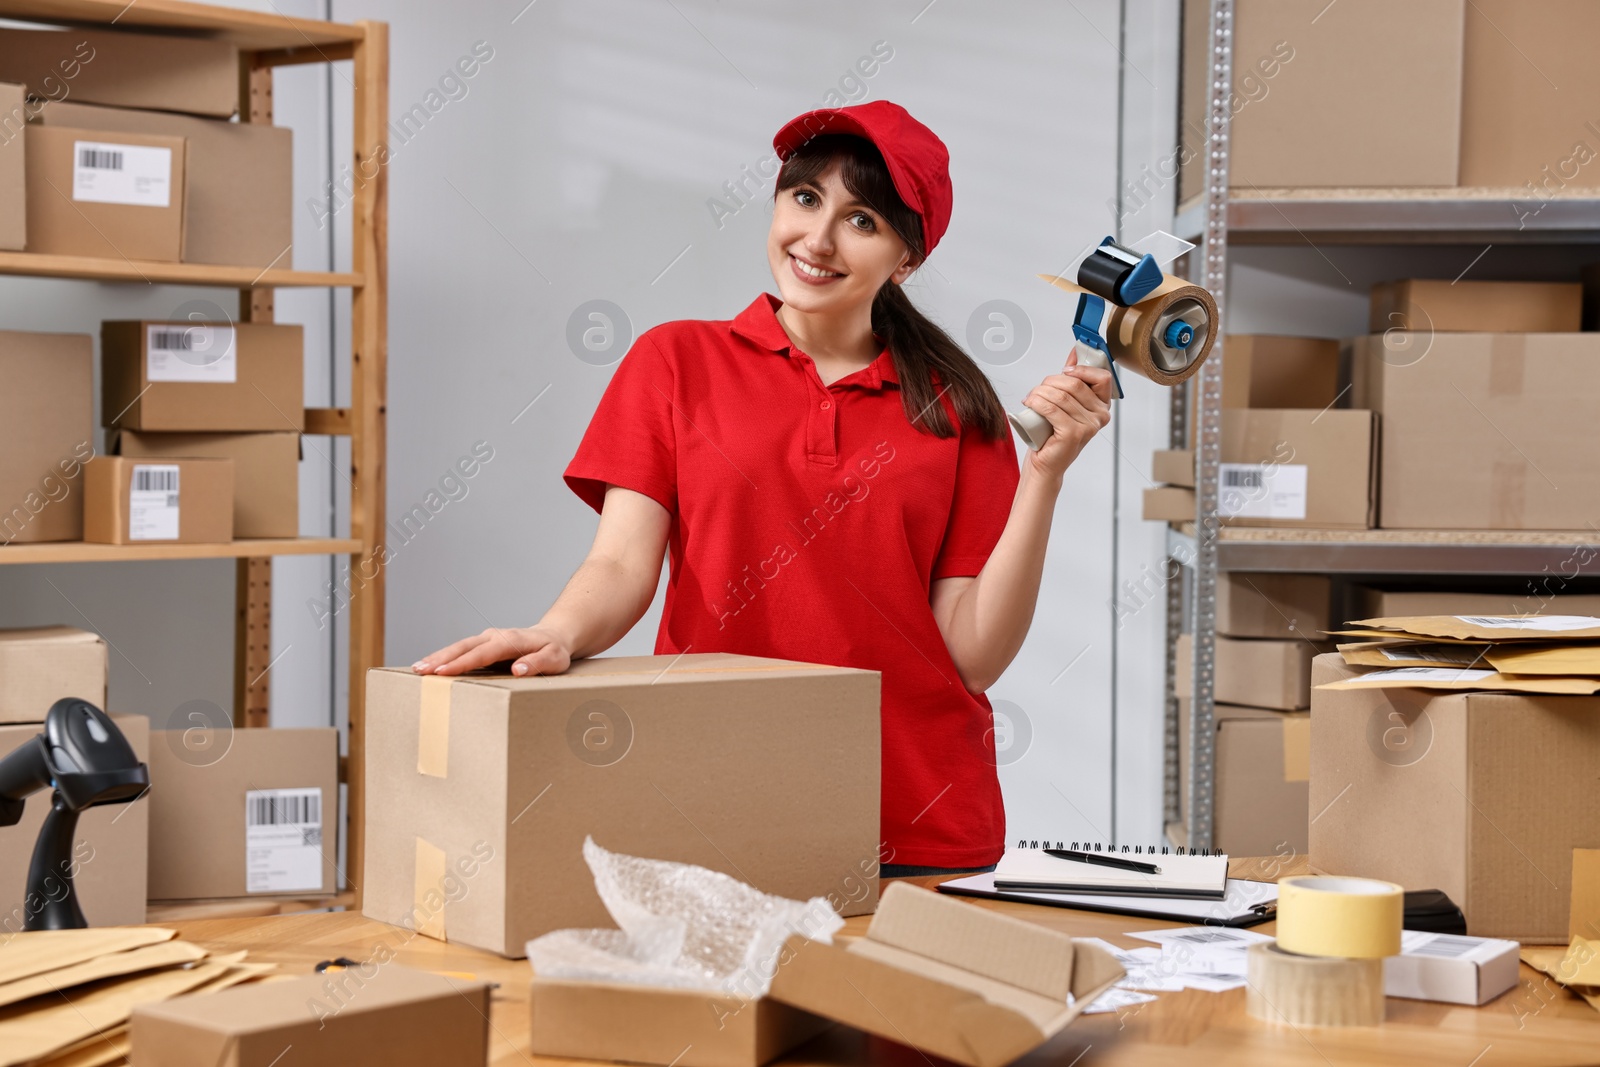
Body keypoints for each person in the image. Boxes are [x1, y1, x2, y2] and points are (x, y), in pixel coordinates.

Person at [414, 100, 1114, 878]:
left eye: (862, 221)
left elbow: (972, 656)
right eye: (805, 198)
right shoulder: (675, 362)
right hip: (714, 795)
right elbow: (620, 564)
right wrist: (558, 633)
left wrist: (1044, 478)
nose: (817, 239)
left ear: (906, 260)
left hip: (913, 812)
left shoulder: (959, 408)